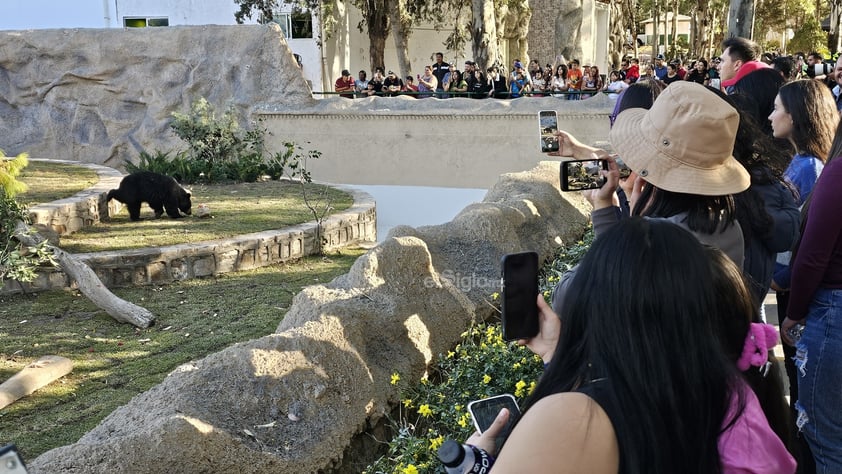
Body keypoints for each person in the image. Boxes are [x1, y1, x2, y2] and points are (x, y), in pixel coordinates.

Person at [465, 218, 795, 473]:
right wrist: (555, 352)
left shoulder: (569, 419)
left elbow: (608, 415)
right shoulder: (730, 393)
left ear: (593, 311)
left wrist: (477, 464)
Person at [769, 79, 839, 473]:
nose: (770, 114)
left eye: (777, 107)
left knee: (819, 432)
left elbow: (810, 253)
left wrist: (790, 304)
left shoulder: (816, 170)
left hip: (819, 306)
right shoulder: (817, 164)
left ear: (796, 116)